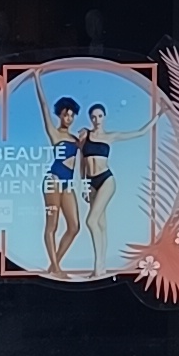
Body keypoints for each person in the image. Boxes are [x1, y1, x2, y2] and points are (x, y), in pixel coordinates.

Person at [41, 93, 82, 272]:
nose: (69, 118)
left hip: (67, 184)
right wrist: (36, 80)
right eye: (66, 115)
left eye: (72, 115)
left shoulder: (76, 139)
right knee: (52, 225)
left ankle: (53, 267)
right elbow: (44, 106)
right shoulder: (55, 133)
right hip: (53, 180)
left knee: (74, 226)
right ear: (60, 115)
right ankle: (56, 269)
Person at [78, 101, 116, 273]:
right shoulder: (85, 135)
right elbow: (82, 163)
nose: (97, 120)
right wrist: (84, 185)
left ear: (104, 117)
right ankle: (102, 267)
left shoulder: (110, 136)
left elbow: (139, 132)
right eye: (93, 117)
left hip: (106, 179)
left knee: (91, 221)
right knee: (100, 223)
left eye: (100, 116)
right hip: (91, 181)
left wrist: (159, 115)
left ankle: (97, 267)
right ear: (90, 119)